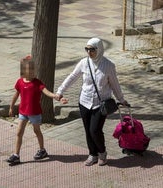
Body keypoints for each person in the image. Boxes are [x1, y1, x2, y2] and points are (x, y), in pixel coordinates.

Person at [55, 38, 129, 166]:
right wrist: (60, 91)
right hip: (84, 102)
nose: (89, 52)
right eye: (87, 49)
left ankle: (102, 153)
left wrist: (121, 99)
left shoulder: (108, 65)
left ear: (99, 49)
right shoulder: (84, 62)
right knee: (88, 130)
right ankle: (92, 154)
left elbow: (115, 84)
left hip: (101, 104)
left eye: (92, 49)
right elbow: (72, 77)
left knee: (95, 130)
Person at [7, 55, 67, 164]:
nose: (30, 72)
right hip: (23, 112)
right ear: (23, 71)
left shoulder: (37, 83)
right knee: (19, 132)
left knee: (36, 130)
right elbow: (16, 95)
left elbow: (47, 92)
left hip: (34, 113)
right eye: (27, 70)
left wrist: (57, 97)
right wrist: (11, 106)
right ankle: (16, 155)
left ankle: (42, 150)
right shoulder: (20, 82)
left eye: (32, 70)